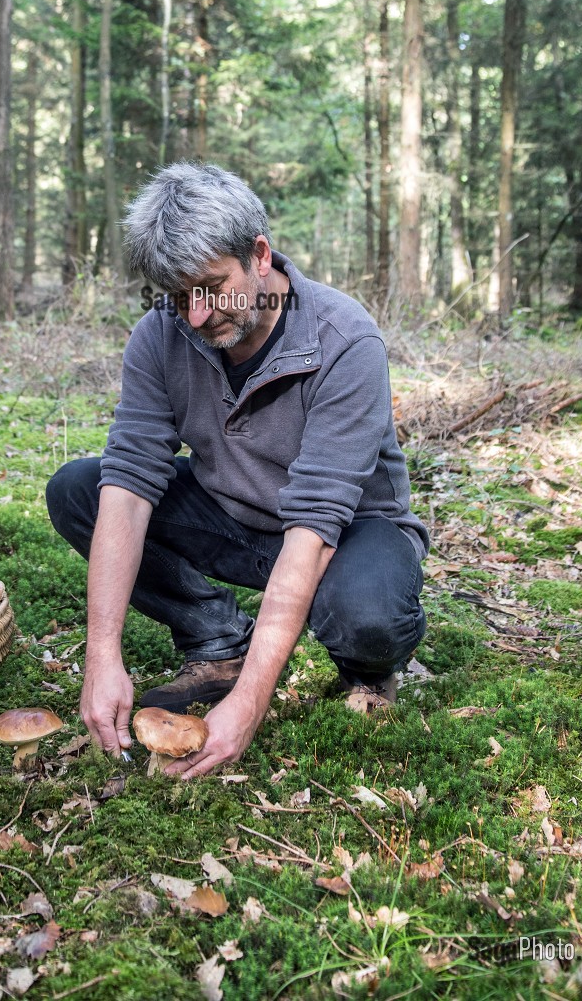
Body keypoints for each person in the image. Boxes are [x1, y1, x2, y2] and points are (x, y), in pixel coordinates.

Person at [45, 162, 428, 779]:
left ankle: (369, 669)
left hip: (347, 530)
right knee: (81, 490)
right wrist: (102, 655)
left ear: (259, 254)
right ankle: (217, 641)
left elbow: (316, 521)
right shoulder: (159, 336)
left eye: (210, 287)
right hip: (233, 517)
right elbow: (131, 481)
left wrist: (249, 704)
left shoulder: (345, 340)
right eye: (177, 296)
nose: (195, 315)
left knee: (369, 617)